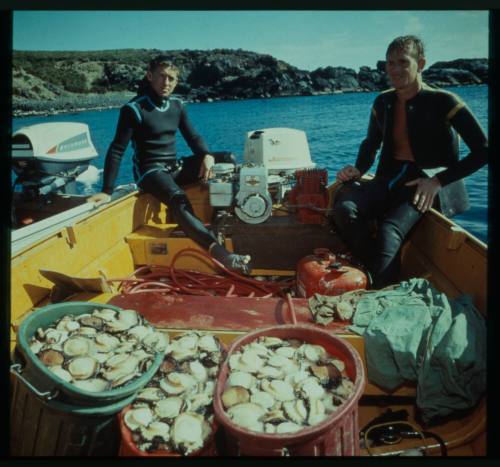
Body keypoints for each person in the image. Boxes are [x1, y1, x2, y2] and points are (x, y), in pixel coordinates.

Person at [332, 35, 488, 289]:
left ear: (421, 63)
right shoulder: (383, 101)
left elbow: (484, 150)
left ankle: (381, 291)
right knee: (343, 208)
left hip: (429, 183)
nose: (394, 69)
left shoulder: (445, 101)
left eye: (403, 62)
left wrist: (437, 181)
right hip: (391, 178)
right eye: (390, 63)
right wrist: (358, 168)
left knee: (389, 230)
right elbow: (371, 142)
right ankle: (378, 272)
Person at [88, 55, 251, 274]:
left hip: (174, 167)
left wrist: (205, 155)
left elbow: (193, 137)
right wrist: (107, 190)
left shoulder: (177, 105)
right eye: (162, 76)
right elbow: (117, 149)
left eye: (172, 79)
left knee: (229, 159)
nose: (166, 83)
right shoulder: (134, 109)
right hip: (150, 172)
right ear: (150, 76)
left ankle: (219, 219)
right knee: (179, 200)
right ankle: (222, 255)